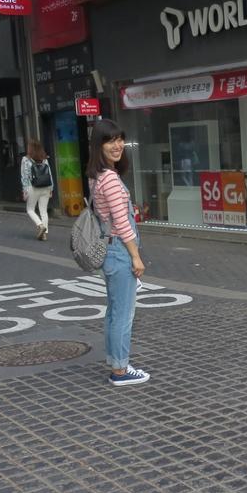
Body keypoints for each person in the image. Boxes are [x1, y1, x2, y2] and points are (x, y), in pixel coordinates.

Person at [88, 121, 149, 386]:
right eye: (110, 141)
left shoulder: (96, 176)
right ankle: (121, 371)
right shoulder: (110, 179)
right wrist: (135, 256)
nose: (118, 145)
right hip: (120, 251)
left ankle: (116, 362)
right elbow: (122, 223)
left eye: (120, 139)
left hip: (109, 251)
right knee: (123, 315)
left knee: (114, 312)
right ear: (99, 145)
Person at [20, 141, 53, 240]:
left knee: (30, 209)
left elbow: (24, 176)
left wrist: (25, 190)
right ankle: (44, 234)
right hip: (46, 186)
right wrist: (51, 188)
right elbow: (49, 174)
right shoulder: (44, 159)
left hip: (33, 187)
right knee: (43, 211)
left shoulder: (25, 159)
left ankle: (40, 225)